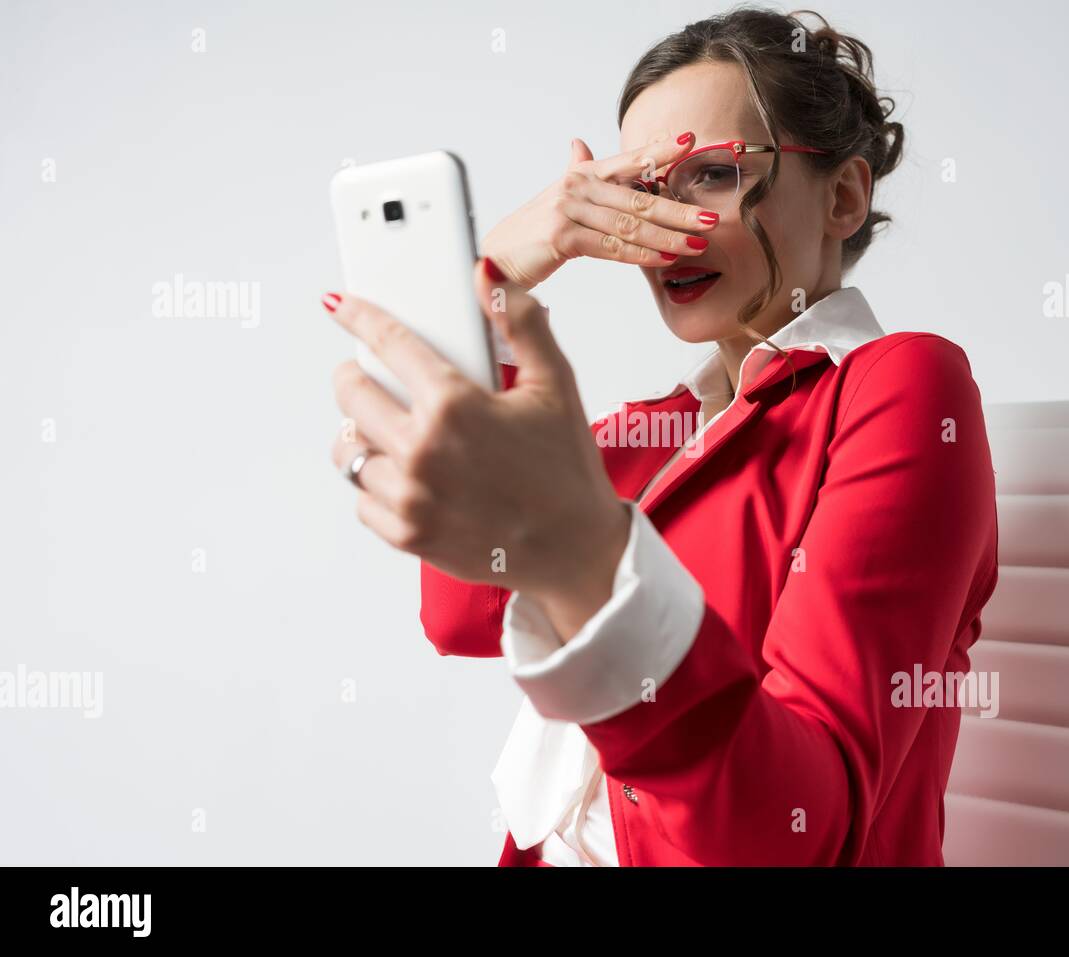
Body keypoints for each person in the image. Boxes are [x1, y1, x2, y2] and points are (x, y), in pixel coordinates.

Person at [323, 6, 998, 866]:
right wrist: (487, 286)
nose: (664, 228)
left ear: (843, 195)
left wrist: (584, 560)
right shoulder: (650, 431)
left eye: (711, 175)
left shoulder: (901, 385)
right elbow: (461, 610)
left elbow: (798, 829)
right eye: (643, 188)